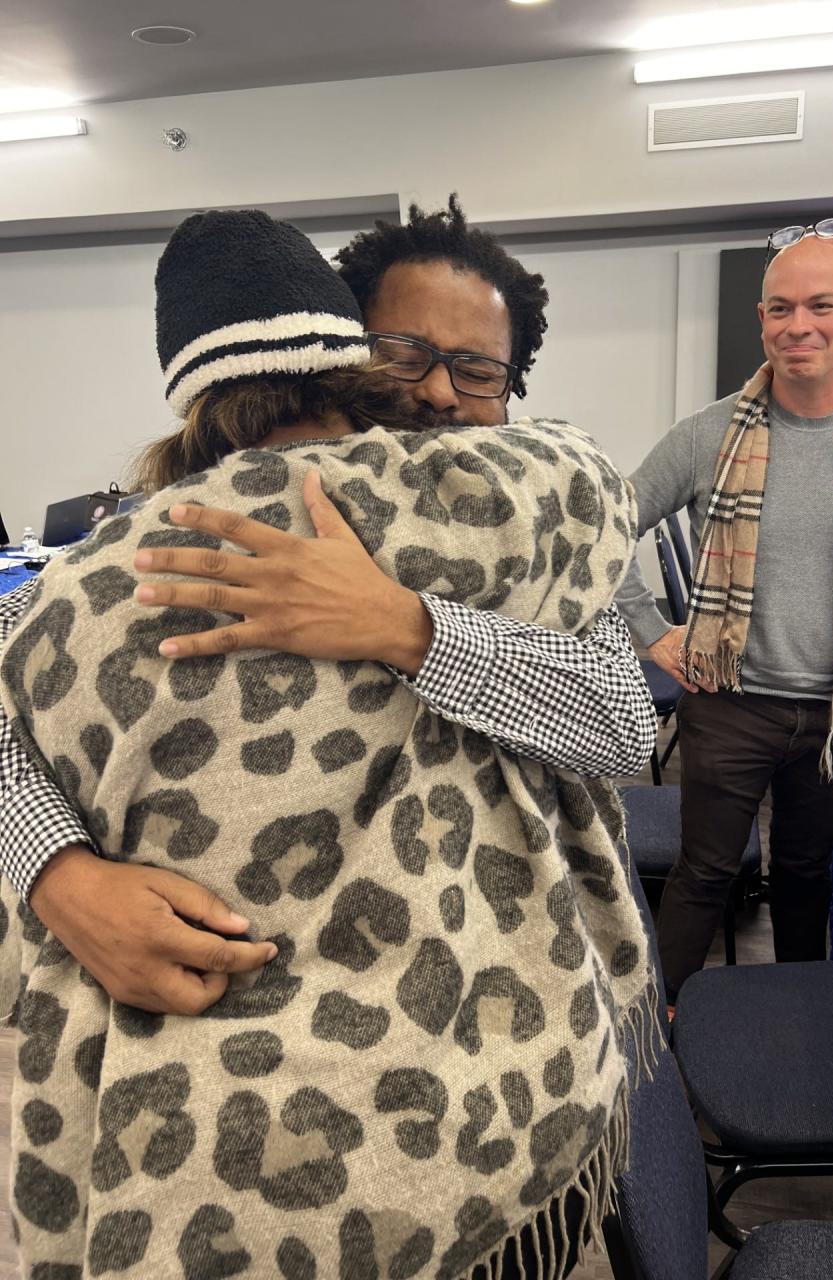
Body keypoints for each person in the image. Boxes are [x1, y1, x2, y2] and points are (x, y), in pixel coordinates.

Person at [0, 208, 659, 1280]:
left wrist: (410, 627)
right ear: (337, 351)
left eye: (479, 372)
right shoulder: (167, 529)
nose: (443, 394)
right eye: (409, 356)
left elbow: (624, 722)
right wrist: (57, 870)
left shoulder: (544, 554)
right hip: (222, 1106)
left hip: (491, 1067)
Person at [617, 218, 833, 1002]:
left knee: (809, 876)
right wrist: (655, 635)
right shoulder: (708, 435)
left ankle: (801, 1020)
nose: (796, 326)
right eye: (778, 308)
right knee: (702, 876)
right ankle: (652, 1039)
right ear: (762, 318)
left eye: (820, 306)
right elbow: (599, 535)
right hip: (730, 706)